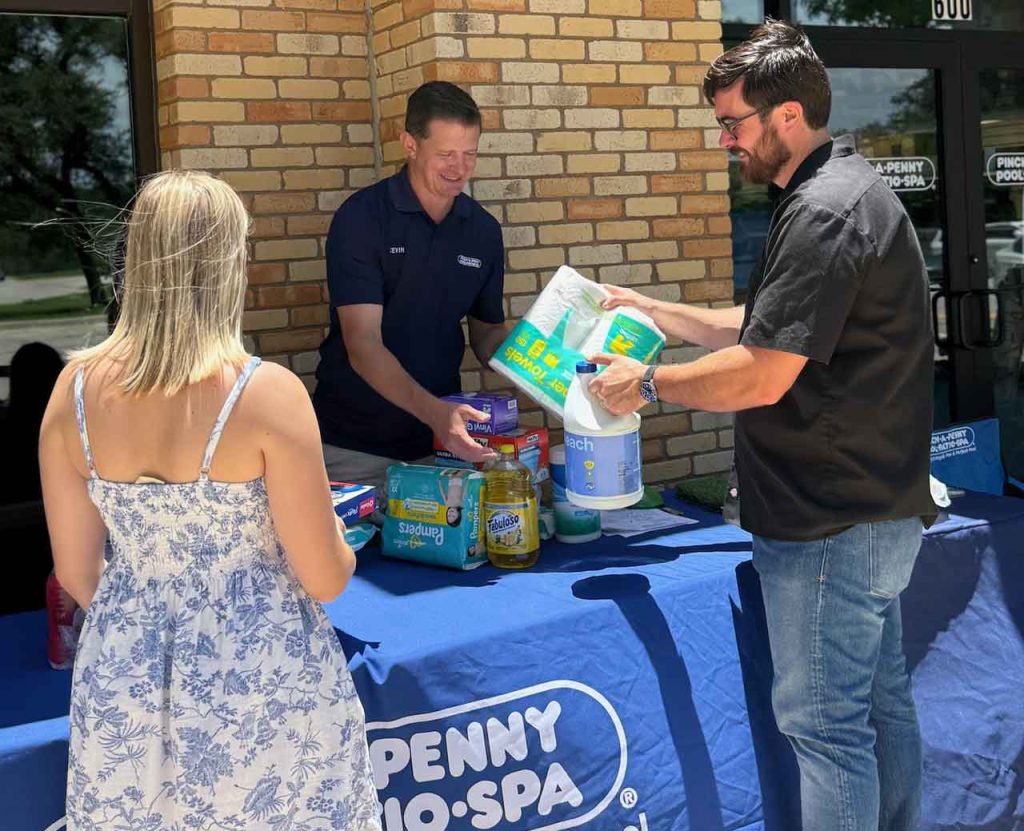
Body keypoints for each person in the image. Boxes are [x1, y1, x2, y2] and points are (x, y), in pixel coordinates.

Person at [588, 19, 936, 831]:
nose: (723, 143)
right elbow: (772, 324)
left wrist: (646, 382)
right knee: (881, 713)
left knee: (829, 735)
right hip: (873, 515)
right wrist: (658, 313)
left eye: (731, 124)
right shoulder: (844, 191)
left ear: (786, 117)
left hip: (827, 526)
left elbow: (762, 369)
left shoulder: (822, 210)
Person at [38, 170, 381, 830]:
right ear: (228, 263)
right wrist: (342, 538)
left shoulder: (71, 391)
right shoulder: (265, 393)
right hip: (258, 680)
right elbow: (324, 575)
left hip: (125, 679)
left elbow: (78, 575)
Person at [313, 81, 508, 491]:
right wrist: (437, 413)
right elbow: (363, 344)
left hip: (441, 448)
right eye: (446, 154)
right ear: (409, 144)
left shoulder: (483, 231)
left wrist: (553, 373)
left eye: (469, 154)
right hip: (353, 451)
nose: (459, 168)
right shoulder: (362, 219)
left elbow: (488, 335)